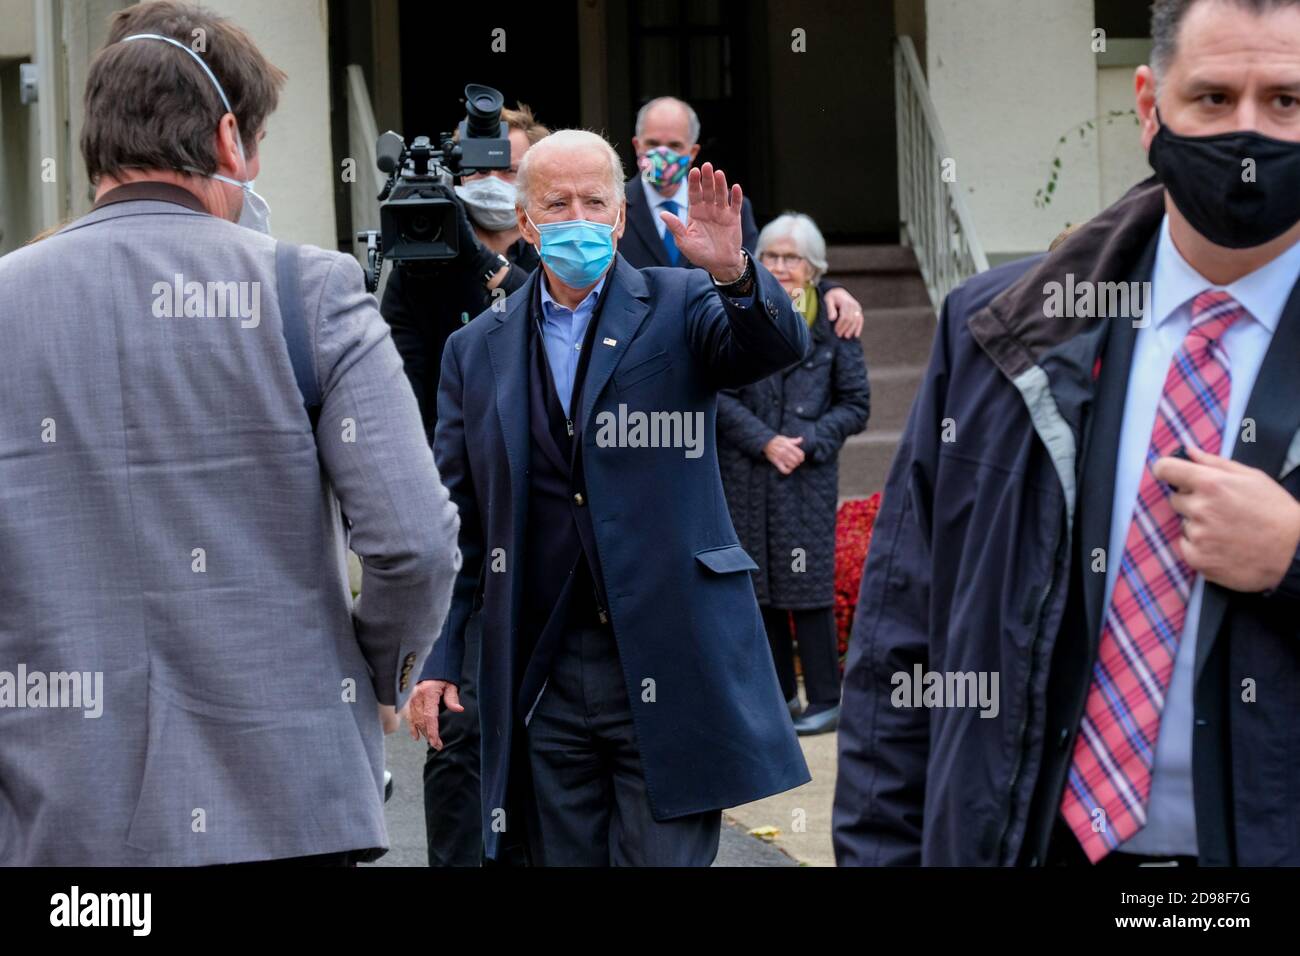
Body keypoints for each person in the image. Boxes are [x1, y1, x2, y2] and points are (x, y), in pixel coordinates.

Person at [833, 0, 1300, 867]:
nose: (1249, 136)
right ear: (1148, 104)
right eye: (1212, 98)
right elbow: (903, 643)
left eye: (1286, 101)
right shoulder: (998, 330)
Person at [0, 1, 460, 866]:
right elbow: (414, 542)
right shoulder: (309, 291)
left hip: (59, 817)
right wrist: (379, 673)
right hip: (287, 805)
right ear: (225, 139)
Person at [406, 129, 812, 866]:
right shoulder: (477, 350)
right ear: (526, 223)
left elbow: (774, 349)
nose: (579, 218)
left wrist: (737, 274)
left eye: (596, 201)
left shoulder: (682, 302)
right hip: (545, 667)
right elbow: (458, 520)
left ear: (621, 217)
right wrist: (437, 656)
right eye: (557, 204)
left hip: (668, 651)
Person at [383, 103, 549, 868]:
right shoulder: (418, 265)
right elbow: (396, 391)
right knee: (456, 734)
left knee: (548, 748)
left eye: (504, 168)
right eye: (474, 170)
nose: (488, 183)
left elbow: (546, 327)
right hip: (458, 536)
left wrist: (478, 264)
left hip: (544, 538)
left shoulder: (563, 253)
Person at [718, 213, 870, 736]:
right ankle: (780, 696)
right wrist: (764, 441)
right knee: (759, 590)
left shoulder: (835, 320)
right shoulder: (738, 313)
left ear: (813, 268)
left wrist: (810, 442)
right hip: (748, 472)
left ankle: (827, 698)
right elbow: (719, 394)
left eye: (792, 258)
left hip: (806, 475)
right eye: (772, 257)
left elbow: (856, 404)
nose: (781, 267)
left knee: (807, 591)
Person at [622, 96, 867, 341]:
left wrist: (827, 290)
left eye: (674, 146)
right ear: (637, 146)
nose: (663, 154)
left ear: (693, 151)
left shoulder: (728, 208)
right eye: (653, 143)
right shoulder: (614, 207)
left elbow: (760, 272)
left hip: (709, 350)